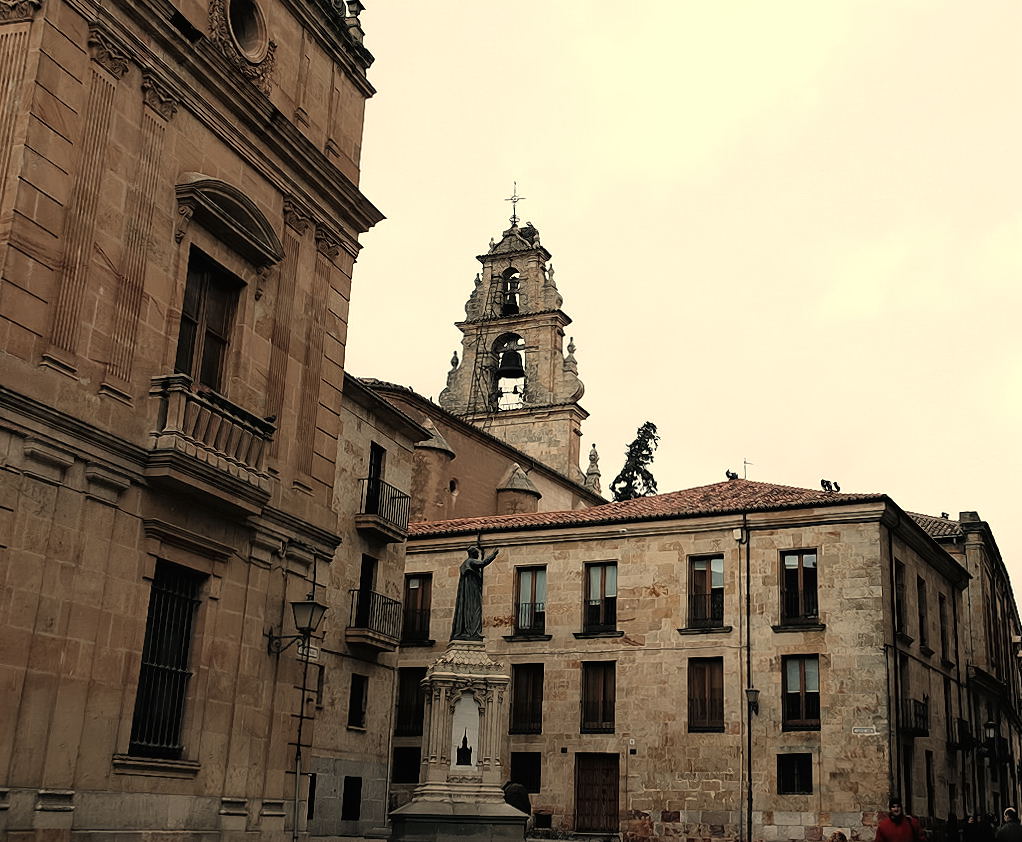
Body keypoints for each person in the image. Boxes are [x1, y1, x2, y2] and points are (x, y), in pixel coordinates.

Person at [450, 543, 499, 641]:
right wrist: (493, 555)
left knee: (471, 609)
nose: (478, 555)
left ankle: (470, 631)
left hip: (471, 590)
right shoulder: (471, 561)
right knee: (475, 609)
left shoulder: (466, 563)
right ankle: (473, 632)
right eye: (477, 553)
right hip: (472, 590)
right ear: (473, 554)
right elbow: (483, 563)